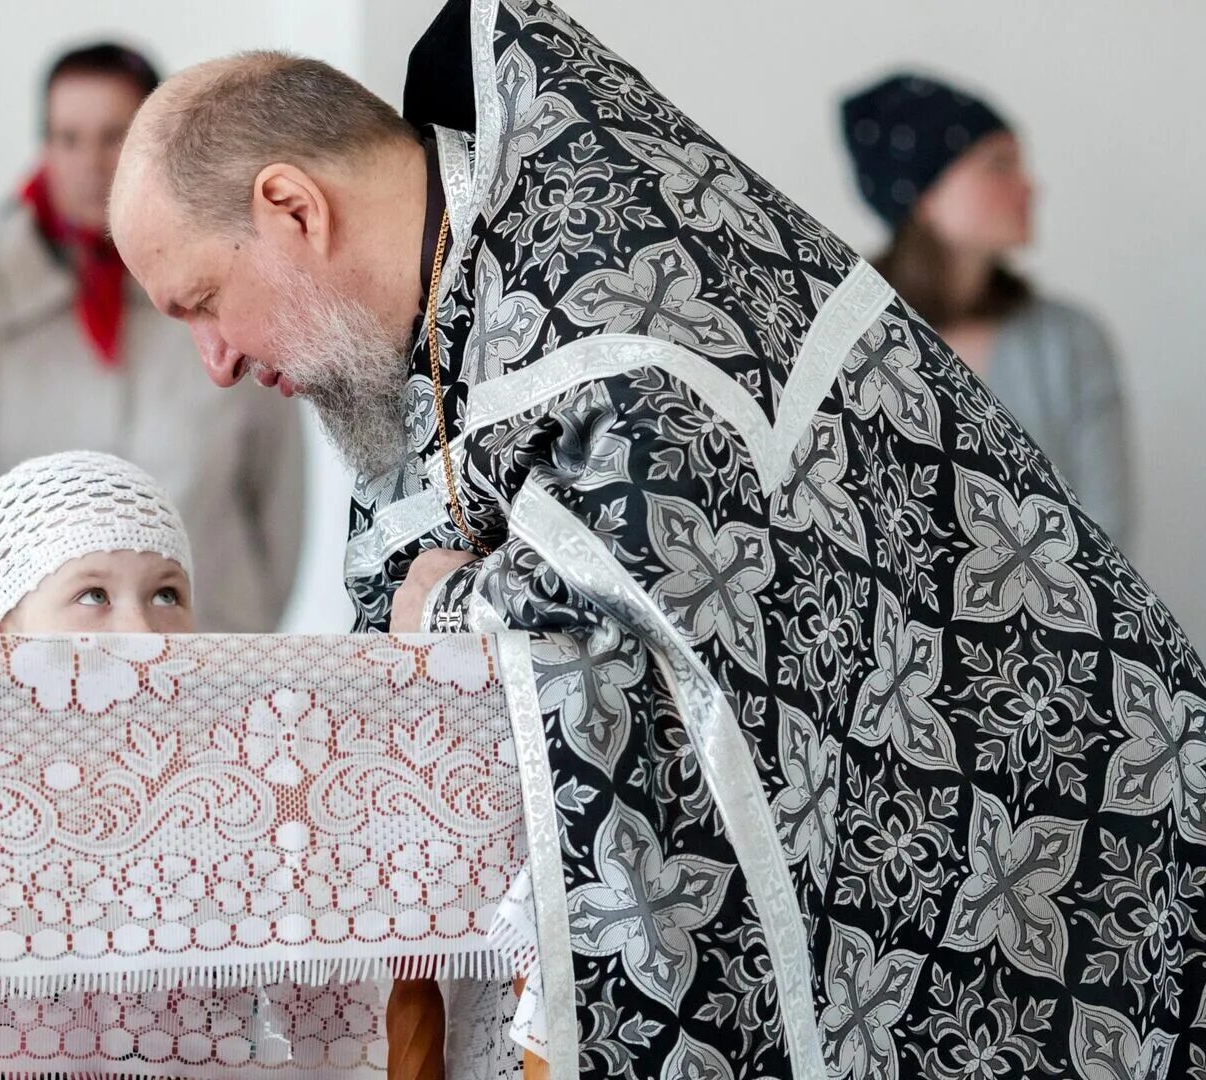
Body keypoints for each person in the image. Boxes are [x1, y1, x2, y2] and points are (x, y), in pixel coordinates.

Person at [108, 3, 1204, 1078]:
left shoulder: (613, 273)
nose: (214, 361)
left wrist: (445, 610)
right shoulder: (431, 332)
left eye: (202, 301)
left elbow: (637, 617)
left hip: (1046, 808)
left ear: (293, 207)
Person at [0, 450, 396, 1080]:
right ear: (4, 632)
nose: (143, 634)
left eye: (166, 595)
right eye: (93, 594)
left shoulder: (240, 797)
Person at [0, 42, 306, 634]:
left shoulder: (226, 280)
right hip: (34, 670)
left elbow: (275, 494)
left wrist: (246, 623)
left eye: (114, 137)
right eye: (68, 138)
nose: (91, 163)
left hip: (203, 649)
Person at [842, 72, 1136, 549]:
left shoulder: (1070, 341)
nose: (1029, 187)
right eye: (1000, 165)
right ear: (925, 197)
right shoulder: (847, 343)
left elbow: (1109, 541)